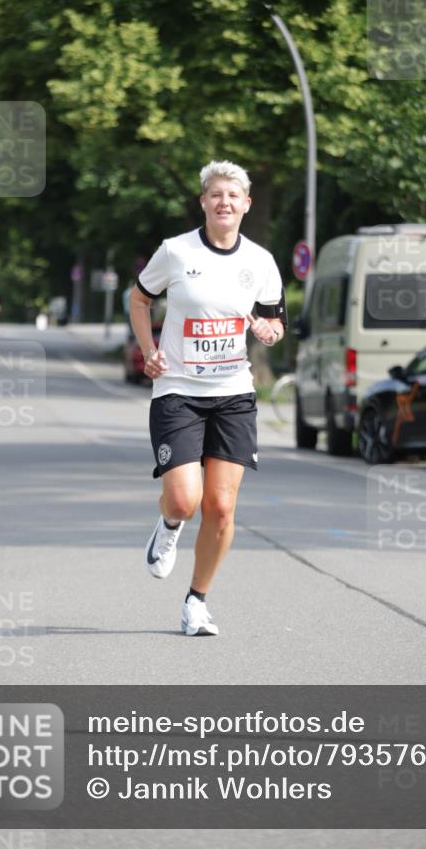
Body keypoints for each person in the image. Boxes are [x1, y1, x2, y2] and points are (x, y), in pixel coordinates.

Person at [129, 160, 286, 636]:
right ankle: (168, 524)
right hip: (178, 390)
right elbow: (139, 299)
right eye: (216, 194)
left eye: (233, 196)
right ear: (203, 201)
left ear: (246, 205)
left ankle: (196, 602)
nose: (224, 202)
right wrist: (149, 352)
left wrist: (269, 331)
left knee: (220, 508)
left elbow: (275, 321)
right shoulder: (176, 251)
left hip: (233, 393)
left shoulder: (260, 261)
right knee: (184, 501)